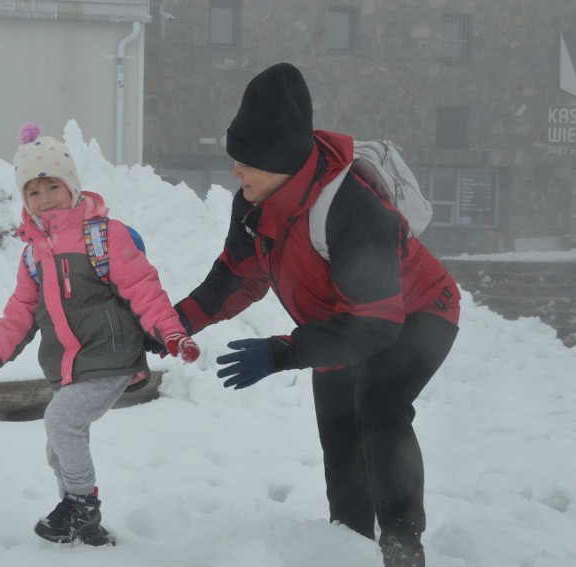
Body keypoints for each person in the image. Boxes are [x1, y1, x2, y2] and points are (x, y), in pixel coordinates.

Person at [170, 63, 460, 566]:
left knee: (377, 402)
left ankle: (401, 540)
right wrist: (170, 327)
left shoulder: (351, 211)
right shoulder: (253, 205)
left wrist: (284, 351)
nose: (235, 173)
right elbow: (236, 277)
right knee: (338, 429)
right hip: (338, 323)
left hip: (415, 313)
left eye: (245, 163)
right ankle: (346, 544)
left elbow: (376, 323)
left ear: (278, 160)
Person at [0, 123, 200, 547]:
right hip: (69, 366)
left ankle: (83, 503)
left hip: (110, 358)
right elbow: (18, 316)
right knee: (59, 445)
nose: (44, 199)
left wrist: (172, 334)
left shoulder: (104, 236)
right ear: (23, 200)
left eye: (52, 188)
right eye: (33, 192)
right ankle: (82, 525)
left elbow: (144, 289)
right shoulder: (33, 255)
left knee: (61, 421)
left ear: (72, 187)